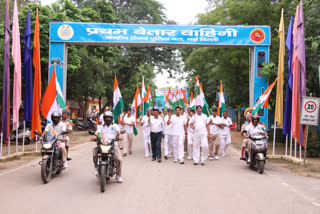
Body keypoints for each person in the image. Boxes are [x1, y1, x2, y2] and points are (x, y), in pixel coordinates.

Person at [93, 111, 123, 183]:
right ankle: (96, 168)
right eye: (106, 118)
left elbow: (118, 132)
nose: (108, 119)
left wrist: (119, 135)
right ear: (104, 118)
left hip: (112, 145)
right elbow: (97, 133)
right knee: (94, 152)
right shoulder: (100, 126)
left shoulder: (115, 126)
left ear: (112, 118)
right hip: (102, 144)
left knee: (119, 160)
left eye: (109, 118)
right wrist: (94, 136)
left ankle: (118, 176)